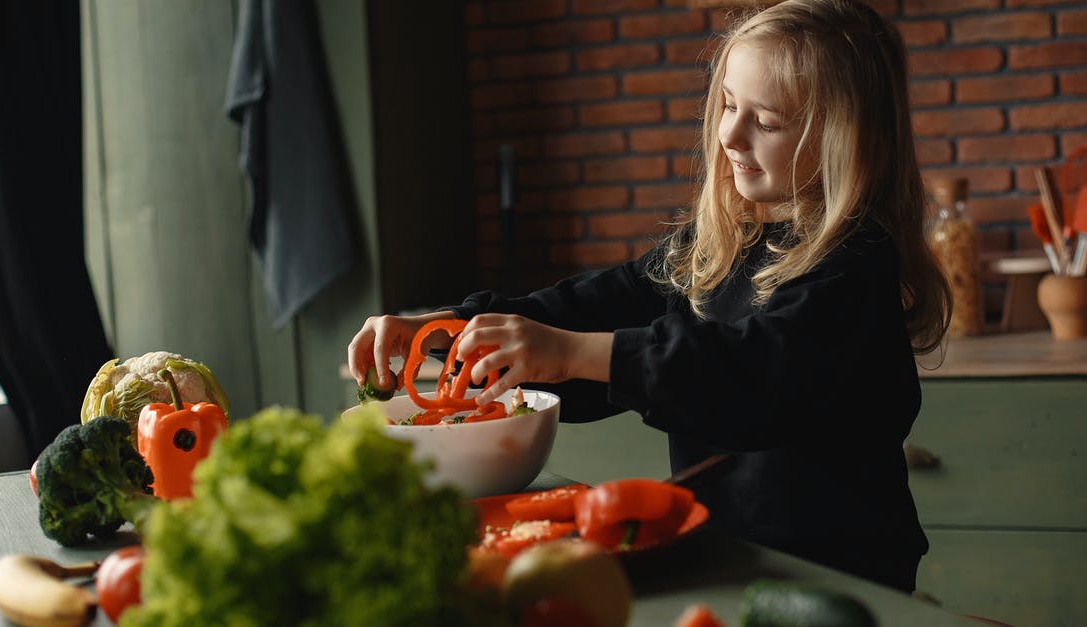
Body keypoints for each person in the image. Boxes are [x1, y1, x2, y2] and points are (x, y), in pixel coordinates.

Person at [348, 0, 950, 593]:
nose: (731, 136)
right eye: (728, 106)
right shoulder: (724, 244)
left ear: (849, 139)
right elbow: (598, 303)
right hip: (729, 560)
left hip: (842, 578)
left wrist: (577, 354)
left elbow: (753, 375)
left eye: (766, 122)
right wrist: (450, 329)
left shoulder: (855, 266)